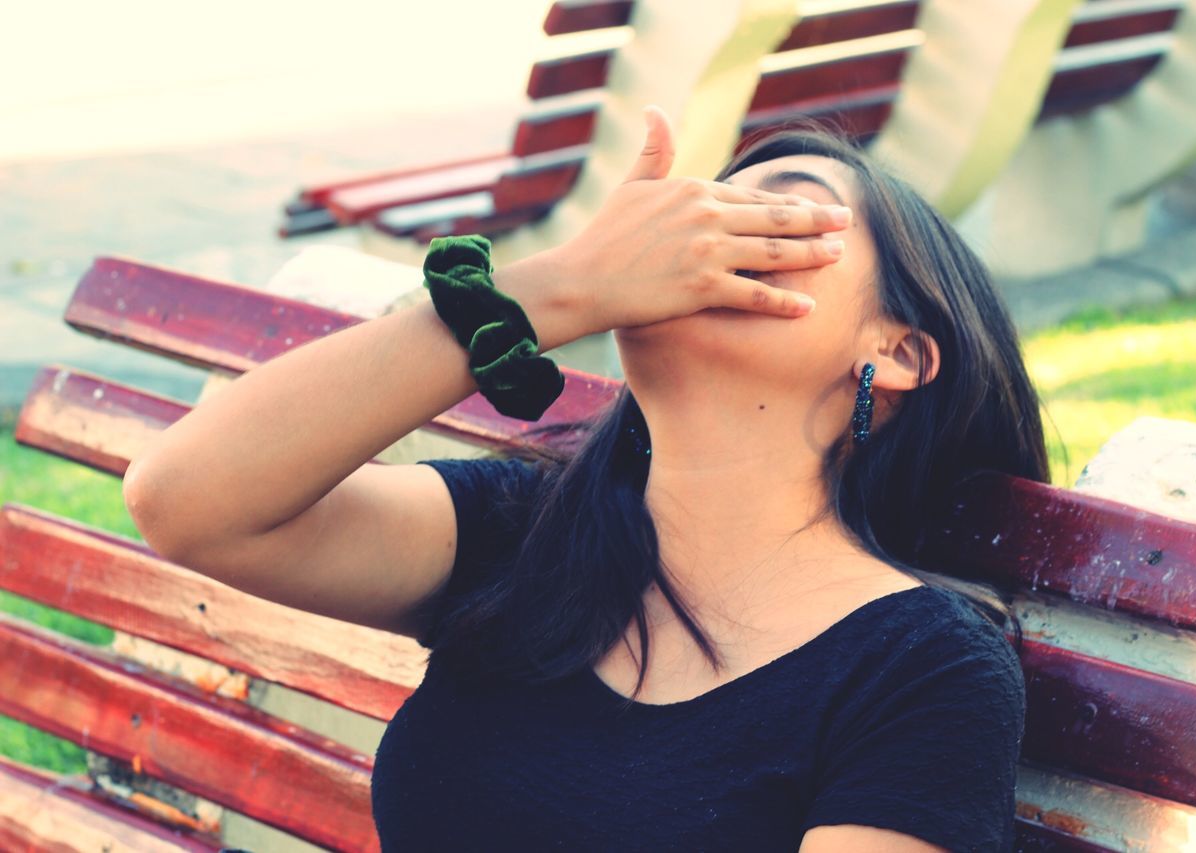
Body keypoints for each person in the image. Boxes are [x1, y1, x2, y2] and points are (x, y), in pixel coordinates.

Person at [122, 105, 1046, 852]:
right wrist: (556, 286)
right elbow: (186, 498)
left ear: (896, 354)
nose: (691, 235)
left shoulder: (924, 671)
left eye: (773, 217)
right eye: (693, 212)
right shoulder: (528, 534)